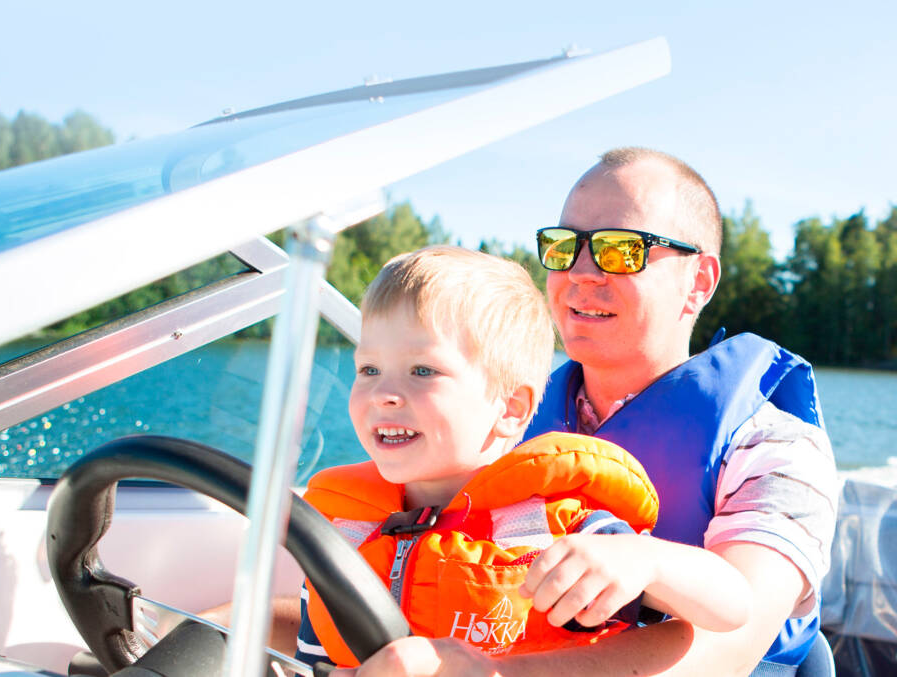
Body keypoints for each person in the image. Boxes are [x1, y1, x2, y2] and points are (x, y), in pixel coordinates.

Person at [334, 148, 838, 677]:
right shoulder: (501, 419)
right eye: (562, 246)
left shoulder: (775, 447)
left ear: (699, 282)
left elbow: (732, 645)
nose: (580, 272)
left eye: (621, 251)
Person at [299, 245, 753, 669]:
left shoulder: (556, 528)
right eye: (369, 369)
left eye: (423, 370)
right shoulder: (341, 530)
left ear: (511, 409)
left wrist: (645, 559)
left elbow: (731, 606)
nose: (383, 394)